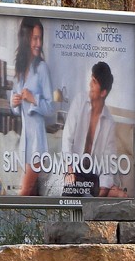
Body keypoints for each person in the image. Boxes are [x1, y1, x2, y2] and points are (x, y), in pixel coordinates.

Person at [61, 61, 127, 198]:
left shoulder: (108, 122)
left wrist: (101, 194)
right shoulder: (79, 101)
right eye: (91, 79)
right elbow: (67, 138)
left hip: (92, 177)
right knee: (69, 191)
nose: (90, 85)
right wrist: (69, 169)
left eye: (94, 82)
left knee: (118, 195)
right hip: (73, 169)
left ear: (103, 92)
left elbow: (108, 162)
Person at [10, 16, 53, 196]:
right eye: (34, 38)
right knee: (33, 194)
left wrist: (33, 98)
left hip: (37, 143)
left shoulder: (42, 68)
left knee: (24, 192)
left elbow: (50, 108)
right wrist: (14, 102)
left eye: (40, 38)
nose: (38, 43)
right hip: (24, 143)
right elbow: (16, 107)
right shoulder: (19, 70)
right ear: (26, 39)